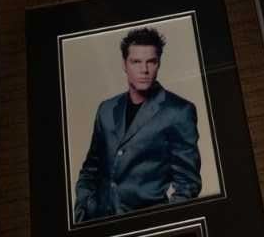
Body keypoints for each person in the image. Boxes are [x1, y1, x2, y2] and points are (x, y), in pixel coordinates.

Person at [74, 26, 202, 222]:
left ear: (159, 63)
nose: (144, 70)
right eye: (136, 62)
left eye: (151, 61)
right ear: (124, 64)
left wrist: (160, 224)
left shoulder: (179, 111)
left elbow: (188, 184)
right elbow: (91, 168)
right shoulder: (106, 109)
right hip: (97, 220)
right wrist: (83, 208)